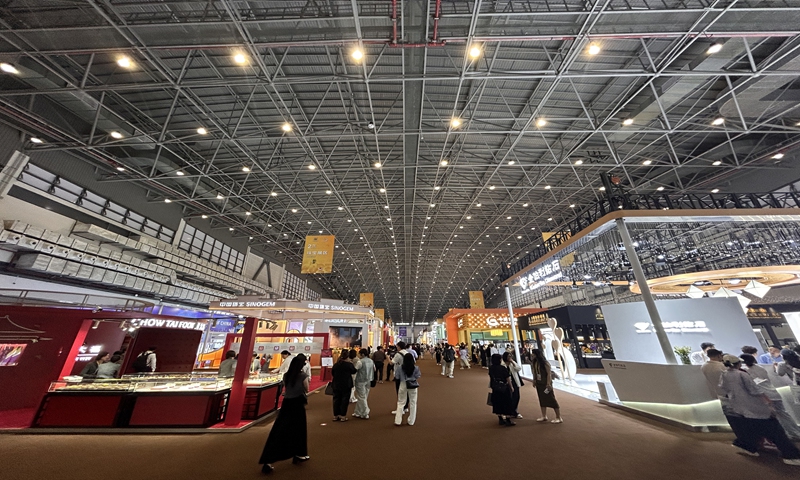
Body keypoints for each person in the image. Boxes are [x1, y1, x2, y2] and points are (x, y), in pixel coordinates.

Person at [719, 354, 800, 465]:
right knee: (775, 430)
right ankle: (790, 455)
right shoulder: (742, 374)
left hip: (740, 407)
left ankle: (745, 446)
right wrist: (767, 401)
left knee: (752, 429)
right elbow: (754, 390)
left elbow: (723, 388)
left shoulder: (724, 375)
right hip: (755, 406)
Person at [259, 354, 310, 474]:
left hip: (287, 404)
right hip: (298, 404)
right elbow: (306, 389)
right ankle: (299, 453)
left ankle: (269, 459)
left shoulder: (287, 375)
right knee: (299, 429)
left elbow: (286, 387)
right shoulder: (302, 375)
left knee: (280, 429)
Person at [741, 353, 800, 440]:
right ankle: (795, 432)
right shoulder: (760, 368)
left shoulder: (745, 371)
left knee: (775, 417)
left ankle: (789, 434)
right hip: (773, 392)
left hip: (764, 396)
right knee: (784, 414)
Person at [531, 348, 562, 423]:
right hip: (539, 383)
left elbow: (549, 374)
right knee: (541, 399)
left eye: (533, 353)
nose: (532, 355)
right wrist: (534, 380)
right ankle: (544, 415)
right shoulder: (535, 363)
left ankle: (558, 417)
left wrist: (548, 383)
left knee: (551, 399)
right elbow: (535, 373)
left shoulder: (545, 363)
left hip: (546, 384)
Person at [394, 353, 421, 426]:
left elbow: (397, 377)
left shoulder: (400, 368)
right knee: (413, 402)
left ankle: (398, 420)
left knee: (401, 402)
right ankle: (411, 421)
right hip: (413, 385)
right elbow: (418, 376)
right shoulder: (416, 368)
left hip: (403, 384)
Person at [488, 354, 516, 426]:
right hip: (504, 387)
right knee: (507, 402)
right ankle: (508, 419)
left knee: (497, 403)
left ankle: (500, 419)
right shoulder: (502, 368)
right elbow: (507, 378)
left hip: (495, 387)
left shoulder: (491, 368)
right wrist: (511, 387)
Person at [331, 350, 356, 421]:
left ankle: (336, 415)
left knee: (336, 400)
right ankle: (343, 416)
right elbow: (354, 371)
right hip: (346, 384)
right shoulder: (349, 365)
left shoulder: (336, 365)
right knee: (345, 400)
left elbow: (332, 373)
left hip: (336, 384)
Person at [353, 349, 375, 419]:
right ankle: (358, 412)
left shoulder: (360, 362)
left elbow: (355, 370)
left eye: (359, 354)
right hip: (369, 380)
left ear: (362, 354)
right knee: (364, 396)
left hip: (360, 381)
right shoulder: (371, 361)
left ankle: (366, 412)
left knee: (361, 397)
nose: (358, 355)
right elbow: (374, 369)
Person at [503, 352, 524, 418]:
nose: (510, 357)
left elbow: (518, 368)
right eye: (508, 356)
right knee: (507, 398)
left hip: (514, 382)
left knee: (516, 397)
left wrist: (513, 362)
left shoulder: (512, 363)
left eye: (511, 356)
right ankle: (507, 412)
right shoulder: (502, 364)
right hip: (506, 383)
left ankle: (514, 411)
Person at [391, 342, 410, 414]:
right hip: (407, 374)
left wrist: (387, 357)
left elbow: (391, 363)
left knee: (399, 391)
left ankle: (400, 409)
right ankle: (405, 407)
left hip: (399, 375)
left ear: (399, 346)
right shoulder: (407, 353)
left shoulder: (398, 354)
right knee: (407, 391)